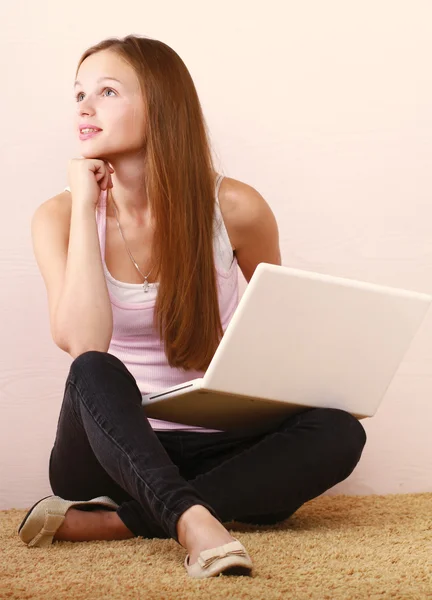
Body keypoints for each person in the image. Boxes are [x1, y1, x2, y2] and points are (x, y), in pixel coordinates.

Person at [19, 35, 367, 579]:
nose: (84, 106)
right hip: (113, 455)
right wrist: (87, 204)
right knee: (93, 368)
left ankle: (123, 522)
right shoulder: (58, 217)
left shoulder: (237, 209)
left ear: (160, 103)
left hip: (220, 447)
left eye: (107, 91)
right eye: (79, 93)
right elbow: (83, 342)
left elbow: (273, 334)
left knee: (340, 431)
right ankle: (195, 520)